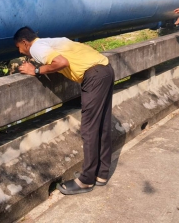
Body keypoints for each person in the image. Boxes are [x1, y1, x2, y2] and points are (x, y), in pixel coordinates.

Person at [13, 27, 114, 195]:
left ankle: (86, 180)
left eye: (19, 47)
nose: (21, 51)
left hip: (94, 76)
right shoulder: (52, 41)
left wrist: (35, 70)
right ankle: (101, 174)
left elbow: (61, 63)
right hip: (105, 69)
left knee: (89, 129)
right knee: (102, 124)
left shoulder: (36, 48)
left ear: (24, 42)